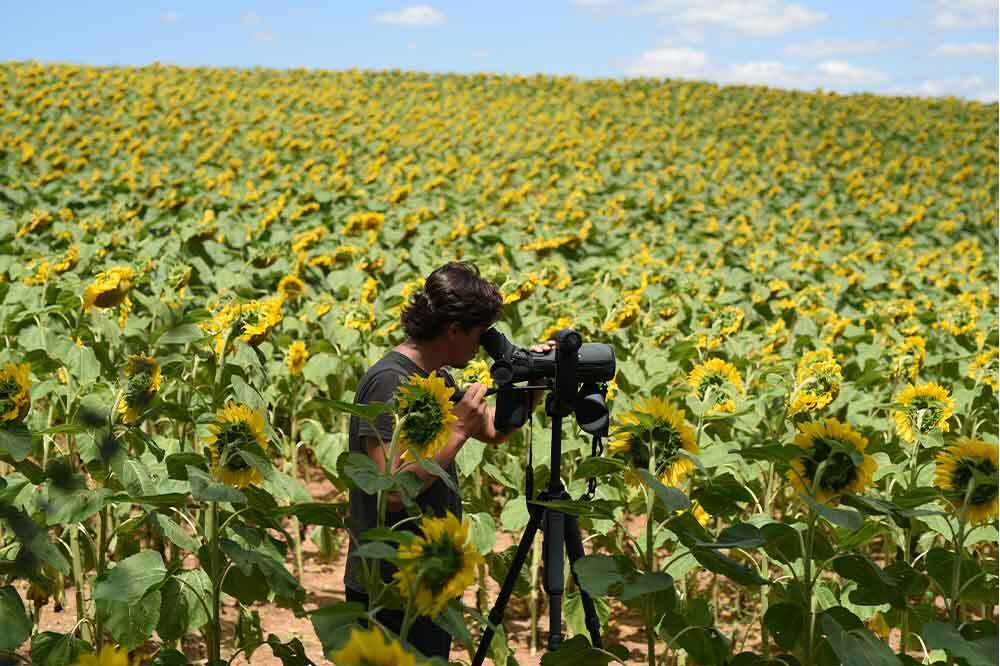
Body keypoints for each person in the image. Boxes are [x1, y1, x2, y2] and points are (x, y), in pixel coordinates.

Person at [343, 261, 553, 659]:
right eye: (478, 334)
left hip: (426, 576)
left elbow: (493, 432)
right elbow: (389, 489)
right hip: (387, 585)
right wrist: (456, 431)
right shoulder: (390, 381)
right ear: (454, 329)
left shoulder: (435, 375)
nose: (480, 344)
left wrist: (532, 384)